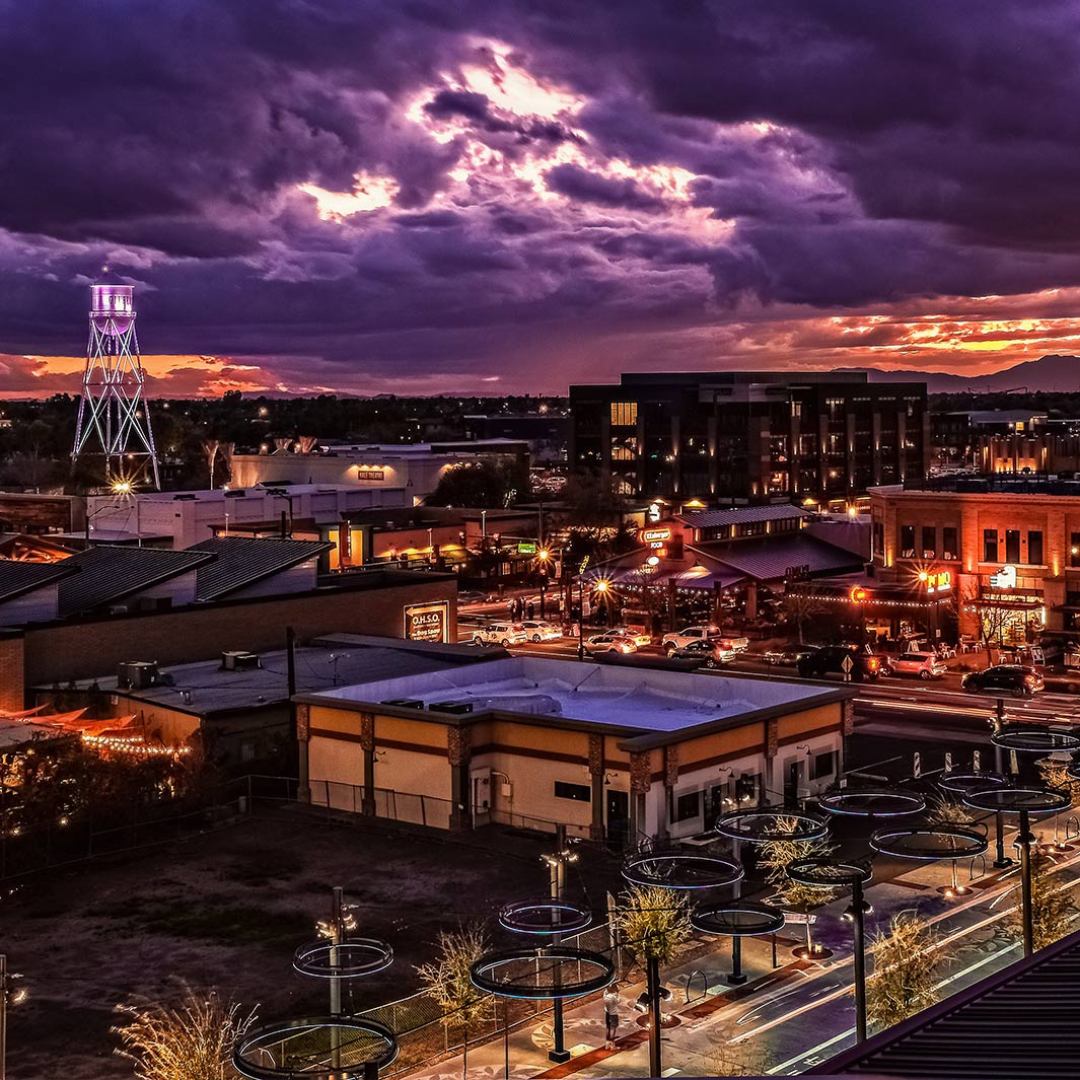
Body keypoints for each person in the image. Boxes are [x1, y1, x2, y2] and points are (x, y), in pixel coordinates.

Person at [603, 983, 620, 1049]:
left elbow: (606, 991)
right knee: (613, 1028)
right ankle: (612, 1044)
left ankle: (607, 1043)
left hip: (607, 1013)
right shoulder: (613, 996)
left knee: (608, 1027)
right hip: (613, 1014)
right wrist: (618, 995)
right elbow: (618, 1001)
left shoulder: (605, 995)